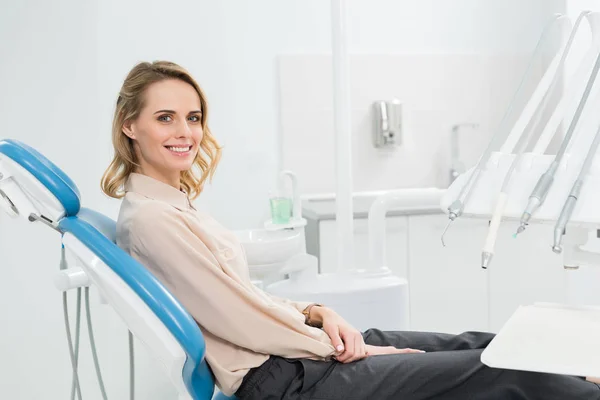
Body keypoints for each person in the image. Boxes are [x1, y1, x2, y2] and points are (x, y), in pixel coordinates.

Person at [100, 60, 600, 400]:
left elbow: (242, 297)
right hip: (281, 377)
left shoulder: (176, 204)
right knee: (505, 370)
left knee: (476, 343)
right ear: (129, 125)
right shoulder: (151, 219)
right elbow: (241, 322)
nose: (185, 133)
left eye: (193, 118)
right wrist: (347, 350)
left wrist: (318, 313)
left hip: (295, 352)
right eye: (165, 118)